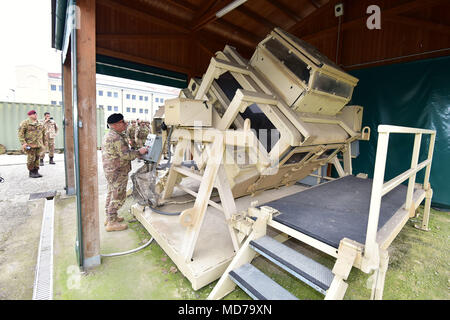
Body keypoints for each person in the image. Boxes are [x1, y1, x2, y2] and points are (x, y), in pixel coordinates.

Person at [102, 113, 148, 232]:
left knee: (111, 192)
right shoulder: (116, 137)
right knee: (118, 195)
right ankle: (112, 223)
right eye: (123, 122)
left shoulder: (111, 134)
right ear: (116, 124)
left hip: (111, 170)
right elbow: (126, 155)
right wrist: (140, 152)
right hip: (118, 171)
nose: (125, 124)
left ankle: (110, 217)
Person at [18, 110, 47, 178]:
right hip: (29, 144)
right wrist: (23, 143)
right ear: (29, 115)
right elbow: (21, 134)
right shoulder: (25, 123)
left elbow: (43, 133)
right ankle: (31, 172)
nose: (35, 115)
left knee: (37, 158)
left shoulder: (40, 123)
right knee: (31, 158)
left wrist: (44, 143)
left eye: (35, 114)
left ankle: (36, 171)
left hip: (39, 144)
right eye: (33, 114)